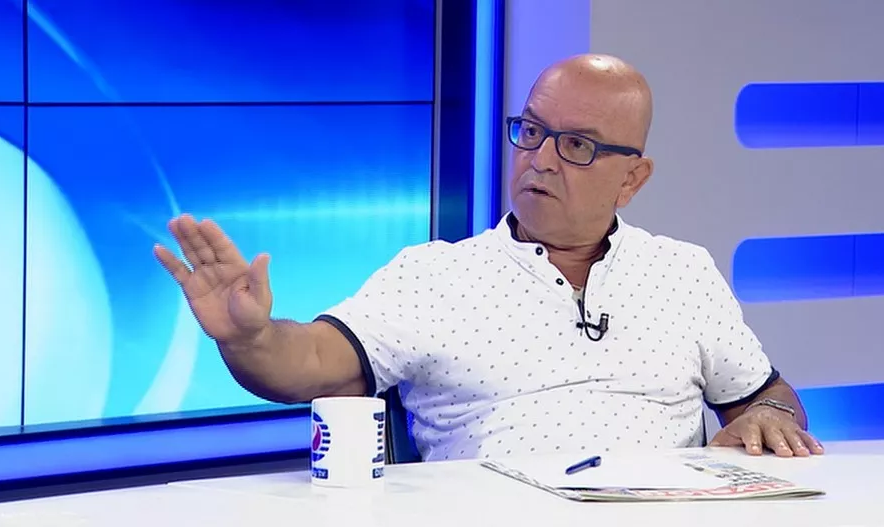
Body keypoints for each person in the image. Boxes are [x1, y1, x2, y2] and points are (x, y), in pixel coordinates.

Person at [154, 54, 824, 462]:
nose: (540, 159)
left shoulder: (681, 271)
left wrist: (776, 417)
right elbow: (307, 362)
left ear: (632, 179)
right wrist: (248, 337)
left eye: (577, 145)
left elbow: (762, 394)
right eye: (531, 131)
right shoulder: (435, 276)